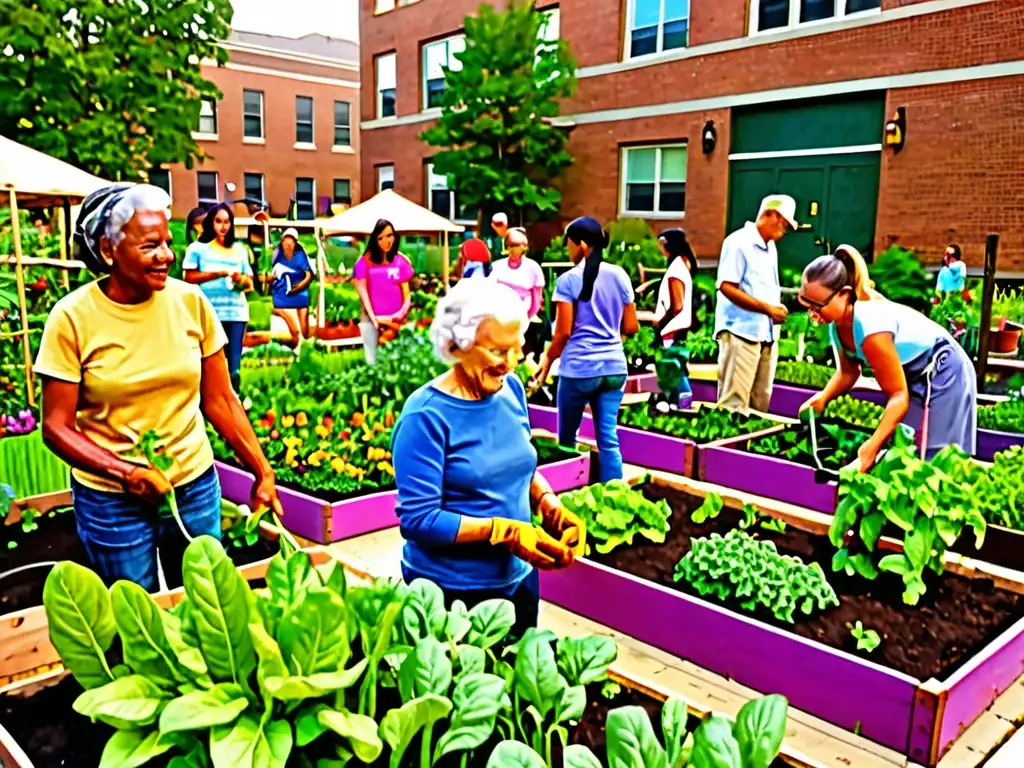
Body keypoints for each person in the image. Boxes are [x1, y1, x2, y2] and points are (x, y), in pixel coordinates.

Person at [34, 184, 283, 590]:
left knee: (208, 608)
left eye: (168, 242)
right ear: (108, 249)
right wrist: (125, 472)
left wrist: (262, 471)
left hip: (194, 485)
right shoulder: (72, 318)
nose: (167, 255)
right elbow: (56, 427)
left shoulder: (191, 302)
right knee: (137, 619)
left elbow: (219, 398)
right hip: (112, 499)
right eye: (151, 245)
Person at [391, 278, 581, 636]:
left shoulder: (509, 390)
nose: (510, 364)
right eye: (497, 351)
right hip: (453, 595)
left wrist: (547, 501)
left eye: (517, 349)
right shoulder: (425, 416)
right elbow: (418, 520)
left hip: (520, 579)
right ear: (456, 345)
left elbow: (518, 464)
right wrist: (501, 531)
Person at [799, 245, 977, 468]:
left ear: (844, 295)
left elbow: (898, 395)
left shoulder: (871, 328)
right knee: (906, 448)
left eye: (818, 306)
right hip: (914, 375)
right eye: (806, 303)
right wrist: (822, 398)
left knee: (937, 458)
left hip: (946, 370)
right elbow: (848, 372)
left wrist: (870, 448)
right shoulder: (838, 325)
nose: (812, 313)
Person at [532, 217, 639, 482]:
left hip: (579, 370)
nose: (568, 250)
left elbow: (563, 332)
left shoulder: (568, 281)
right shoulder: (620, 275)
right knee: (608, 440)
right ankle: (616, 498)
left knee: (567, 441)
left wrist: (546, 363)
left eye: (569, 244)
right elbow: (631, 326)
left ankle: (566, 494)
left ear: (581, 245)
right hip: (615, 368)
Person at [715, 194, 795, 413]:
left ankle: (747, 447)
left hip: (765, 333)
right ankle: (723, 447)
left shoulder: (770, 247)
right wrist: (767, 309)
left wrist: (773, 309)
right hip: (741, 331)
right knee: (734, 405)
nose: (785, 229)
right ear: (770, 214)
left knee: (760, 404)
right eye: (784, 222)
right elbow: (726, 286)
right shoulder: (738, 242)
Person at [182, 203, 254, 392]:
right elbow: (189, 278)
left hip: (236, 313)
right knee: (210, 364)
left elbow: (249, 283)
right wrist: (218, 274)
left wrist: (240, 280)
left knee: (234, 368)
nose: (223, 226)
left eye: (227, 221)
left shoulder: (240, 250)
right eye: (218, 221)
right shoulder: (198, 249)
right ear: (210, 223)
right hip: (209, 313)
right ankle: (207, 407)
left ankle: (234, 404)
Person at [352, 219, 415, 364]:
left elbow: (407, 297)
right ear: (374, 240)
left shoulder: (400, 261)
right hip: (371, 322)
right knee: (372, 362)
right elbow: (363, 296)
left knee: (397, 363)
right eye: (381, 238)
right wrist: (375, 320)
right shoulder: (364, 263)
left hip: (397, 322)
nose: (386, 241)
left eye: (389, 235)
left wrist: (394, 318)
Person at [653, 228, 698, 408]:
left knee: (674, 368)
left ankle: (685, 406)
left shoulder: (676, 269)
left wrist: (661, 321)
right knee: (675, 368)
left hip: (672, 328)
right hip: (679, 326)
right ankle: (676, 405)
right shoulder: (683, 263)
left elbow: (677, 304)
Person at [491, 227, 547, 355]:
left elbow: (537, 295)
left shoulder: (533, 267)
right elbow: (491, 292)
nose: (513, 248)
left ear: (524, 247)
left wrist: (530, 313)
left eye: (516, 245)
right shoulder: (497, 267)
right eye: (510, 245)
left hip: (523, 310)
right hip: (501, 310)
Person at [269, 228, 314, 346]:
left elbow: (308, 274)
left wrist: (299, 286)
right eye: (286, 241)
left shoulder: (300, 255)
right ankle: (296, 349)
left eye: (291, 241)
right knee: (296, 331)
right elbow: (271, 275)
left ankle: (303, 350)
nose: (288, 244)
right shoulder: (276, 254)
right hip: (283, 295)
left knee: (304, 330)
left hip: (300, 294)